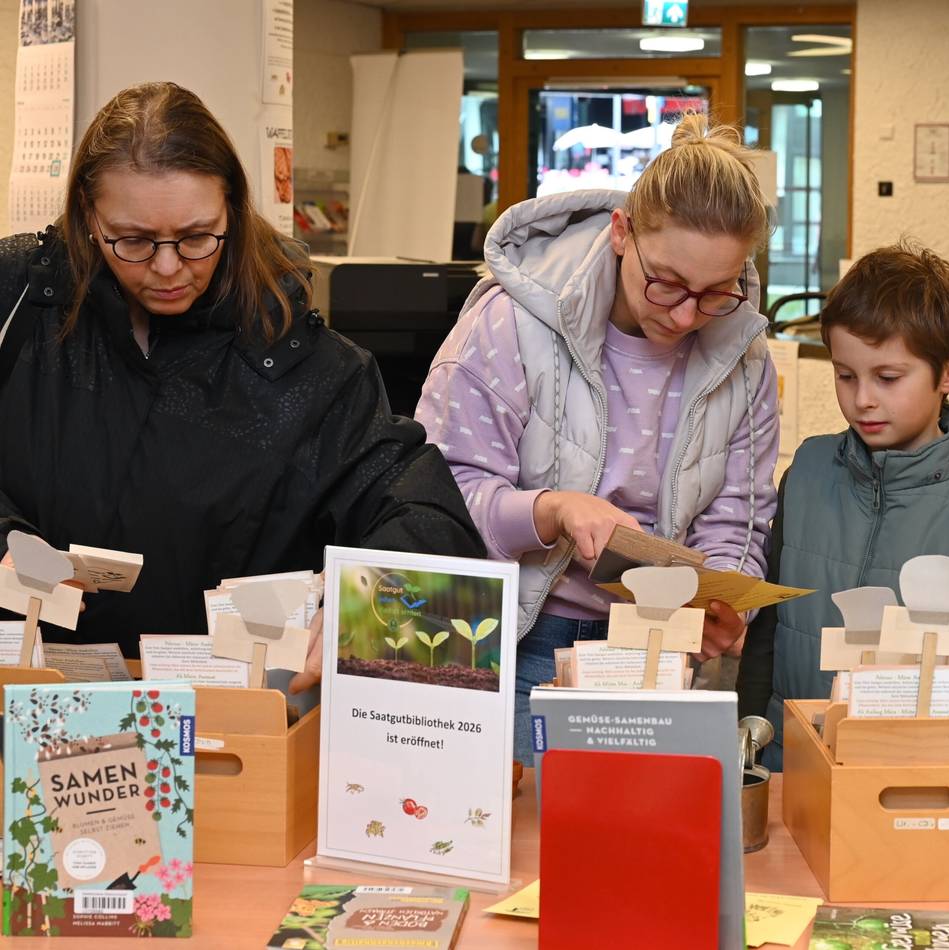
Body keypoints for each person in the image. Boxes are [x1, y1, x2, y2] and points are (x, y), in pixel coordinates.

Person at [0, 82, 485, 687]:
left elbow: (425, 515)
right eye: (134, 240)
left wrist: (368, 606)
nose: (168, 267)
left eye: (197, 236)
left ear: (232, 208)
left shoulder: (308, 364)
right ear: (86, 215)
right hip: (24, 691)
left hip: (227, 713)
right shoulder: (19, 303)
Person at [416, 114, 780, 763]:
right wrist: (550, 510)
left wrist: (725, 600)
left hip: (658, 651)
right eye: (665, 283)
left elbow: (737, 518)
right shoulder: (511, 324)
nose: (686, 315)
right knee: (530, 826)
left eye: (715, 293)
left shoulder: (745, 361)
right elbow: (436, 500)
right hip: (519, 641)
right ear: (621, 232)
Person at [738, 242, 949, 770]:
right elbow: (767, 630)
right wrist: (747, 738)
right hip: (787, 760)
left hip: (909, 775)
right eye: (845, 375)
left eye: (888, 378)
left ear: (945, 374)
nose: (863, 399)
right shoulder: (808, 471)